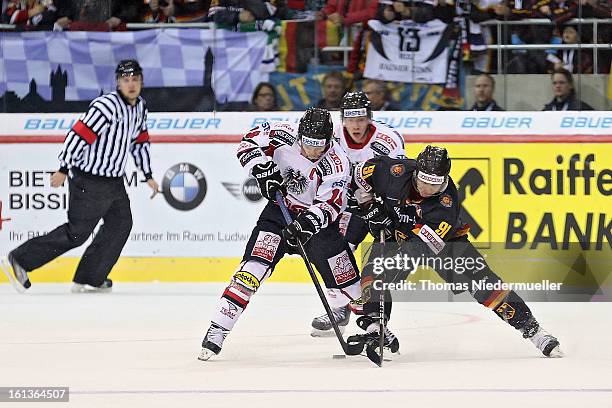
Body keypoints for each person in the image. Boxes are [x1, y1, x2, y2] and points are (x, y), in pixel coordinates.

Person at [347, 146, 564, 358]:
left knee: (485, 284)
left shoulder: (446, 204)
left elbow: (420, 248)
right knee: (373, 273)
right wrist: (367, 205)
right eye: (423, 180)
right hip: (399, 235)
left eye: (435, 184)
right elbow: (354, 178)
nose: (426, 189)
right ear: (416, 172)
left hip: (445, 244)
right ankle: (375, 327)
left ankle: (534, 331)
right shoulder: (392, 171)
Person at [198, 108, 362, 361]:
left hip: (316, 227)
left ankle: (373, 328)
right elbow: (247, 142)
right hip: (278, 214)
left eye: (319, 145)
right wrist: (262, 169)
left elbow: (331, 204)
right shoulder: (282, 133)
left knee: (348, 281)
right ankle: (218, 327)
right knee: (252, 269)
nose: (312, 151)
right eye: (307, 143)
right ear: (300, 135)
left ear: (330, 140)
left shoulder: (338, 162)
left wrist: (307, 222)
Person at [1, 60, 160, 294]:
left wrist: (147, 174)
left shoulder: (140, 107)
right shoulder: (106, 106)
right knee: (76, 233)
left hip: (114, 183)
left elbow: (139, 141)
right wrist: (63, 169)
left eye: (135, 79)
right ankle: (20, 260)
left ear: (142, 82)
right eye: (126, 80)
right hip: (89, 181)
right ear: (118, 82)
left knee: (121, 224)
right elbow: (78, 137)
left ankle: (90, 277)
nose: (131, 84)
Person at [310, 91, 405, 336]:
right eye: (350, 119)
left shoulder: (389, 139)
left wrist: (385, 209)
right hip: (344, 205)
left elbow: (399, 179)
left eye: (361, 119)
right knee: (337, 253)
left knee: (379, 263)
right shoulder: (331, 137)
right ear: (342, 119)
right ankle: (340, 308)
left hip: (377, 206)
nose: (356, 125)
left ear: (370, 118)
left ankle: (375, 317)